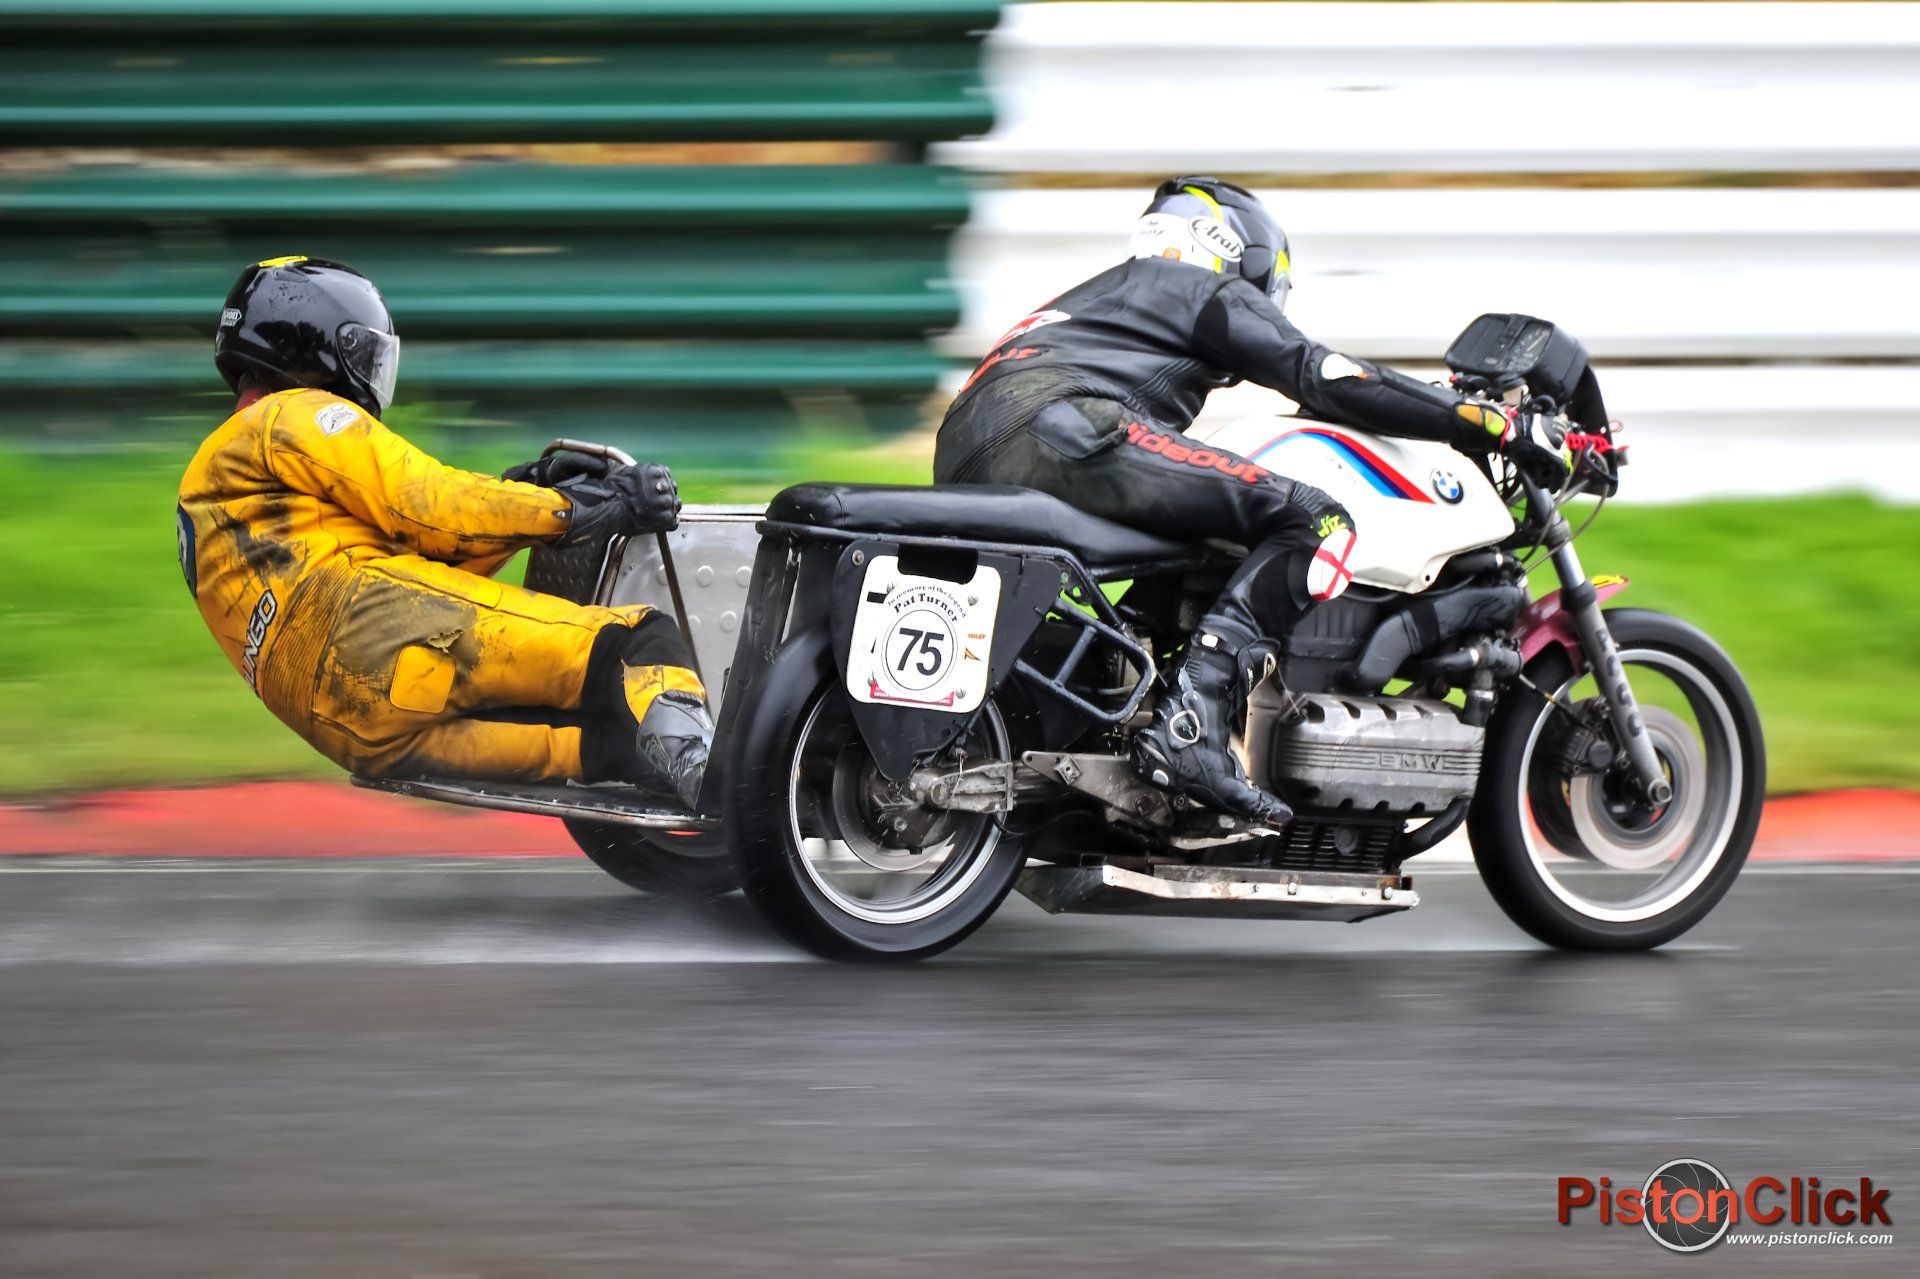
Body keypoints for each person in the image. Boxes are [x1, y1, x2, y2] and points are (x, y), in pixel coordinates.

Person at [935, 177, 1563, 828]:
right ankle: (1190, 725)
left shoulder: (1098, 299)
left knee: (1198, 543)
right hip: (1066, 426)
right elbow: (1326, 375)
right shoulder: (1200, 288)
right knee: (1318, 523)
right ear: (1242, 255)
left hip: (969, 447)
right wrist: (1490, 423)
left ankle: (1126, 714)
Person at [177, 255, 711, 807]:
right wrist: (583, 507)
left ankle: (702, 825)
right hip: (380, 633)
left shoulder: (210, 491)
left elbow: (425, 559)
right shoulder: (287, 416)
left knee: (601, 742)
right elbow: (430, 508)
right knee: (635, 646)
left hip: (354, 729)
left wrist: (522, 488)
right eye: (362, 351)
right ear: (309, 342)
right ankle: (738, 795)